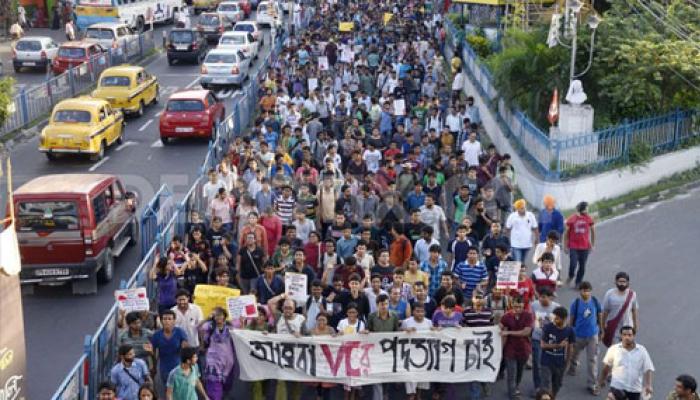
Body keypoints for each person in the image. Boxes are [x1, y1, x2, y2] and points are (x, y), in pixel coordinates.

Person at [598, 326, 654, 400]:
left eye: (629, 335)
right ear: (621, 336)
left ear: (633, 336)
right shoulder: (613, 349)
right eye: (624, 335)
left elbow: (648, 368)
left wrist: (648, 385)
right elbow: (606, 368)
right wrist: (601, 381)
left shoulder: (642, 351)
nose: (627, 337)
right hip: (617, 388)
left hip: (634, 390)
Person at [568, 281, 604, 395]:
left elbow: (599, 314)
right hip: (578, 334)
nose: (586, 293)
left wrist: (601, 328)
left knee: (592, 360)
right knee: (574, 353)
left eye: (588, 290)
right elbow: (572, 318)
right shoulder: (576, 303)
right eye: (584, 290)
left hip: (592, 335)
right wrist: (570, 332)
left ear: (591, 291)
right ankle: (573, 367)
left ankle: (592, 384)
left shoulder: (595, 301)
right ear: (580, 291)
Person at [364, 294, 400, 400]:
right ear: (377, 305)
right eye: (381, 304)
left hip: (389, 350)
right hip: (375, 350)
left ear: (388, 304)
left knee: (387, 373)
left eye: (386, 304)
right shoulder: (371, 316)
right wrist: (366, 332)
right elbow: (369, 330)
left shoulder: (394, 316)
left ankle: (385, 393)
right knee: (377, 374)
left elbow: (396, 332)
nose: (384, 306)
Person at [198, 307, 236, 400]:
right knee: (214, 388)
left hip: (228, 362)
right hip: (213, 362)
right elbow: (199, 327)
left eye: (220, 314)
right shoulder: (209, 326)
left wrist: (243, 321)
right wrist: (208, 318)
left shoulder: (230, 328)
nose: (218, 317)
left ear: (224, 316)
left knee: (227, 386)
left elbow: (241, 333)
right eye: (216, 315)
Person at [500, 296, 533, 400]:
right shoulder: (506, 316)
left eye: (519, 307)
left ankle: (516, 386)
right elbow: (501, 329)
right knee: (511, 372)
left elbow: (526, 332)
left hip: (524, 348)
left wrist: (509, 332)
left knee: (519, 371)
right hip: (510, 349)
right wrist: (500, 349)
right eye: (515, 307)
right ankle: (513, 394)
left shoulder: (528, 315)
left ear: (523, 306)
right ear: (511, 305)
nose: (517, 309)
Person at [540, 306, 575, 396]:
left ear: (564, 319)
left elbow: (570, 348)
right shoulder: (548, 327)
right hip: (546, 361)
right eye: (554, 317)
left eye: (557, 318)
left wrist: (567, 364)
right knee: (545, 386)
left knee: (557, 385)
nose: (554, 320)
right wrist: (558, 345)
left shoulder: (570, 331)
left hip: (559, 363)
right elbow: (542, 345)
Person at [530, 288, 560, 394]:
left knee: (549, 365)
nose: (541, 299)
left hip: (551, 341)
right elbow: (531, 318)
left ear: (550, 297)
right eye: (540, 297)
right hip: (537, 339)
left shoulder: (556, 308)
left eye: (544, 297)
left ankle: (548, 386)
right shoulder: (534, 305)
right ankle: (538, 387)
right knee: (537, 364)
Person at [401, 303, 433, 399]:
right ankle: (411, 395)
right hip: (410, 354)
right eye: (417, 311)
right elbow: (399, 335)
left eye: (422, 311)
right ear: (413, 312)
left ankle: (418, 396)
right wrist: (406, 330)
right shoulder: (407, 322)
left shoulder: (429, 322)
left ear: (425, 312)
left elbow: (433, 335)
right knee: (411, 378)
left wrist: (436, 331)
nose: (419, 313)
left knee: (421, 378)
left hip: (424, 355)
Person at [150, 310, 189, 387]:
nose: (167, 321)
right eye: (164, 319)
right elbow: (153, 354)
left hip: (178, 366)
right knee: (167, 390)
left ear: (174, 321)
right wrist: (153, 367)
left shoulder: (180, 332)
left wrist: (185, 347)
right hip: (164, 368)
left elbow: (186, 349)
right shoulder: (157, 335)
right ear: (161, 321)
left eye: (169, 319)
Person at [602, 271, 639, 347]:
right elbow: (605, 311)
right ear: (615, 282)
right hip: (614, 327)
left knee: (627, 350)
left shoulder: (632, 294)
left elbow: (634, 310)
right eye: (620, 281)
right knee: (615, 350)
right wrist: (602, 325)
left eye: (624, 282)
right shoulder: (609, 294)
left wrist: (635, 325)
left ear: (628, 283)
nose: (622, 284)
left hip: (628, 327)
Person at [564, 201, 595, 287]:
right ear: (582, 209)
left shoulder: (588, 218)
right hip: (573, 246)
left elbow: (593, 231)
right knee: (573, 264)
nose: (588, 210)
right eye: (587, 208)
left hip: (585, 247)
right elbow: (566, 233)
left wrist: (592, 244)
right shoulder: (572, 219)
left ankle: (578, 282)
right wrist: (565, 246)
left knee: (582, 266)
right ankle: (571, 275)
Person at [505, 199, 539, 264]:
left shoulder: (530, 215)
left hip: (527, 244)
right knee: (518, 262)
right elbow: (507, 229)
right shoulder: (512, 216)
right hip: (515, 244)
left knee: (522, 263)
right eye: (521, 208)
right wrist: (507, 241)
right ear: (517, 209)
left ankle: (519, 273)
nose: (523, 209)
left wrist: (537, 239)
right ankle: (517, 273)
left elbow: (535, 228)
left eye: (524, 207)